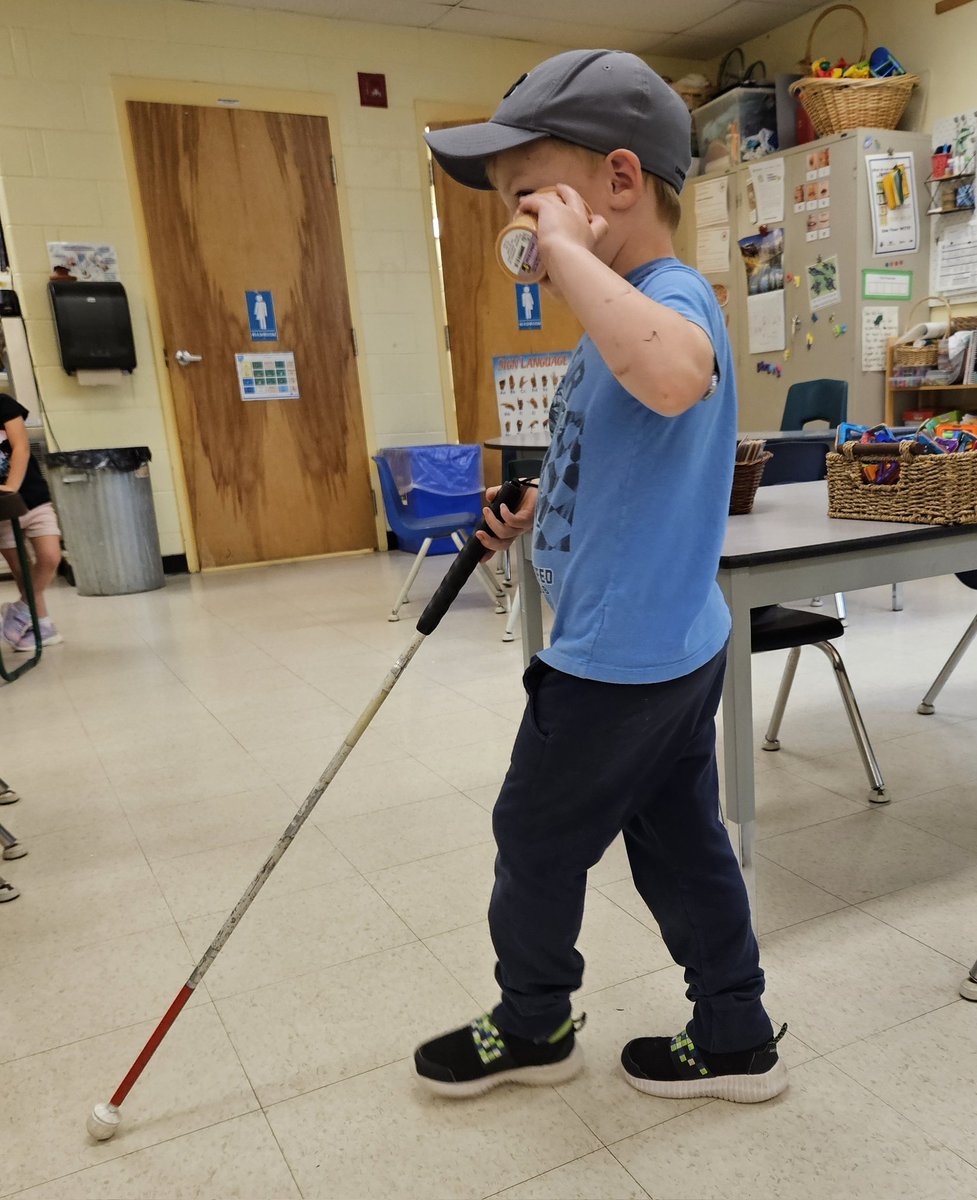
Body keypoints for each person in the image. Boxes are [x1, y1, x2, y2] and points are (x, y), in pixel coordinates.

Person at [415, 50, 786, 1103]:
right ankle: (733, 1033)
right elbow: (621, 448)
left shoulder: (669, 299)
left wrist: (566, 255)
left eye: (526, 197)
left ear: (617, 183)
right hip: (664, 646)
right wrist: (533, 514)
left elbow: (670, 375)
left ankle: (533, 1025)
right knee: (677, 845)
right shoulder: (618, 307)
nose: (519, 227)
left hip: (618, 660)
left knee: (531, 838)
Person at [0, 393, 63, 651]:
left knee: (50, 557)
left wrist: (11, 488)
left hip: (32, 498)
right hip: (1, 513)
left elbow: (21, 447)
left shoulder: (3, 404)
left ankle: (20, 609)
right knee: (22, 570)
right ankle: (43, 625)